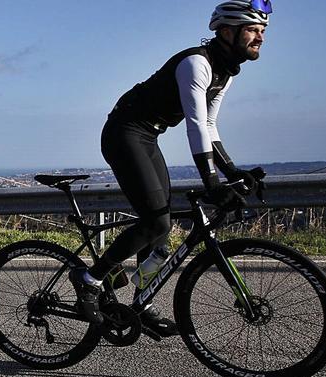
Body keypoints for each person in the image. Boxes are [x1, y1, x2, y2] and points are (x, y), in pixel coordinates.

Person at [72, 1, 270, 336]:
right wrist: (212, 183)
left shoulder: (225, 74)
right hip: (124, 132)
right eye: (253, 30)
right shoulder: (196, 63)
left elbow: (209, 124)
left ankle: (141, 301)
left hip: (149, 136)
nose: (260, 37)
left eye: (262, 32)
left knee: (161, 228)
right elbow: (194, 125)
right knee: (155, 222)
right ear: (226, 31)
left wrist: (233, 172)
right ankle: (89, 279)